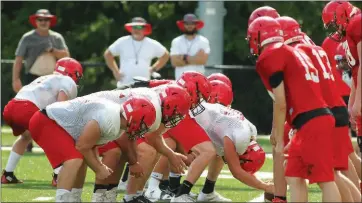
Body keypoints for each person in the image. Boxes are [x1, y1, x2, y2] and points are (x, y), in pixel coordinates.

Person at [248, 16, 341, 202]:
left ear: (258, 36)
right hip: (310, 120)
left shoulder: (271, 55)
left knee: (325, 179)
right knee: (293, 175)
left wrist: (280, 138)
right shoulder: (290, 51)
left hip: (311, 121)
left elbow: (281, 101)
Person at [276, 15, 360, 202]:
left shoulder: (296, 52)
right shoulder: (313, 48)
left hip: (321, 112)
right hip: (332, 108)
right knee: (335, 170)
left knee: (331, 174)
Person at [28, 93, 157, 202]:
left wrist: (98, 166)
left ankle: (74, 198)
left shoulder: (117, 123)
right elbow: (82, 146)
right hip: (45, 120)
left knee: (80, 160)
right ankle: (63, 199)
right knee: (74, 159)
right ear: (134, 118)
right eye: (143, 124)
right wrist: (98, 167)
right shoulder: (110, 119)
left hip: (53, 121)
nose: (143, 129)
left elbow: (91, 145)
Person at [86, 84, 192, 202]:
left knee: (136, 151)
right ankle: (109, 197)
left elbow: (145, 136)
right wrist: (133, 163)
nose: (176, 117)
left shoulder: (158, 102)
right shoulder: (155, 108)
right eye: (176, 113)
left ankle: (116, 194)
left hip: (105, 120)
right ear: (169, 106)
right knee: (130, 151)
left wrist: (172, 155)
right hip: (95, 118)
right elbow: (127, 137)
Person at [1, 57, 82, 185]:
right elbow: (60, 107)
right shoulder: (67, 81)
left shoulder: (46, 78)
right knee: (52, 137)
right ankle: (58, 175)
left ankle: (8, 174)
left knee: (26, 137)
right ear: (74, 73)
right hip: (26, 108)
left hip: (10, 107)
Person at [12, 9, 70, 153]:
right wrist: (15, 79)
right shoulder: (27, 38)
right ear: (35, 22)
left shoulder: (57, 38)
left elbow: (66, 56)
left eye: (46, 20)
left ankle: (53, 142)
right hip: (32, 78)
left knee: (53, 112)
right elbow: (18, 59)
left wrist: (52, 51)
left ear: (50, 22)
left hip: (52, 79)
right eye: (40, 20)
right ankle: (27, 141)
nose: (43, 22)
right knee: (29, 111)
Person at [247, 6, 287, 203]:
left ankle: (279, 195)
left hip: (306, 107)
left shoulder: (273, 53)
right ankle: (279, 191)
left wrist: (277, 130)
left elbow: (281, 98)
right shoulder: (290, 41)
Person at [322, 1, 362, 192]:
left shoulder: (357, 23)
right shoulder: (351, 30)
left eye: (335, 23)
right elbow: (356, 70)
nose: (335, 29)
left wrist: (357, 101)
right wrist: (353, 102)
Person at [104, 17, 169, 88]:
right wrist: (115, 71)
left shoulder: (151, 43)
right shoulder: (122, 41)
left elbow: (165, 55)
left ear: (144, 29)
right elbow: (108, 54)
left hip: (144, 85)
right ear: (131, 28)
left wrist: (153, 69)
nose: (136, 29)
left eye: (139, 26)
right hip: (124, 84)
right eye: (134, 27)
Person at [170, 14, 210, 79]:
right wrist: (195, 58)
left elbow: (202, 60)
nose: (190, 26)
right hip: (180, 80)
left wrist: (183, 58)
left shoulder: (203, 41)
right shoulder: (176, 41)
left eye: (192, 23)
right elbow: (174, 62)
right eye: (187, 23)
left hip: (198, 81)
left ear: (196, 25)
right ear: (183, 25)